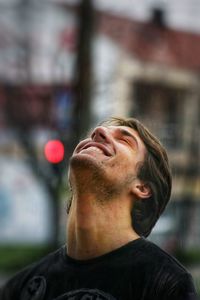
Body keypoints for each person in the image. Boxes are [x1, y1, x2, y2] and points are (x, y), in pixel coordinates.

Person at [0, 116, 198, 300]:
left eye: (124, 140)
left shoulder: (166, 283)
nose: (98, 132)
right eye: (93, 134)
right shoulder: (20, 288)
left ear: (142, 187)